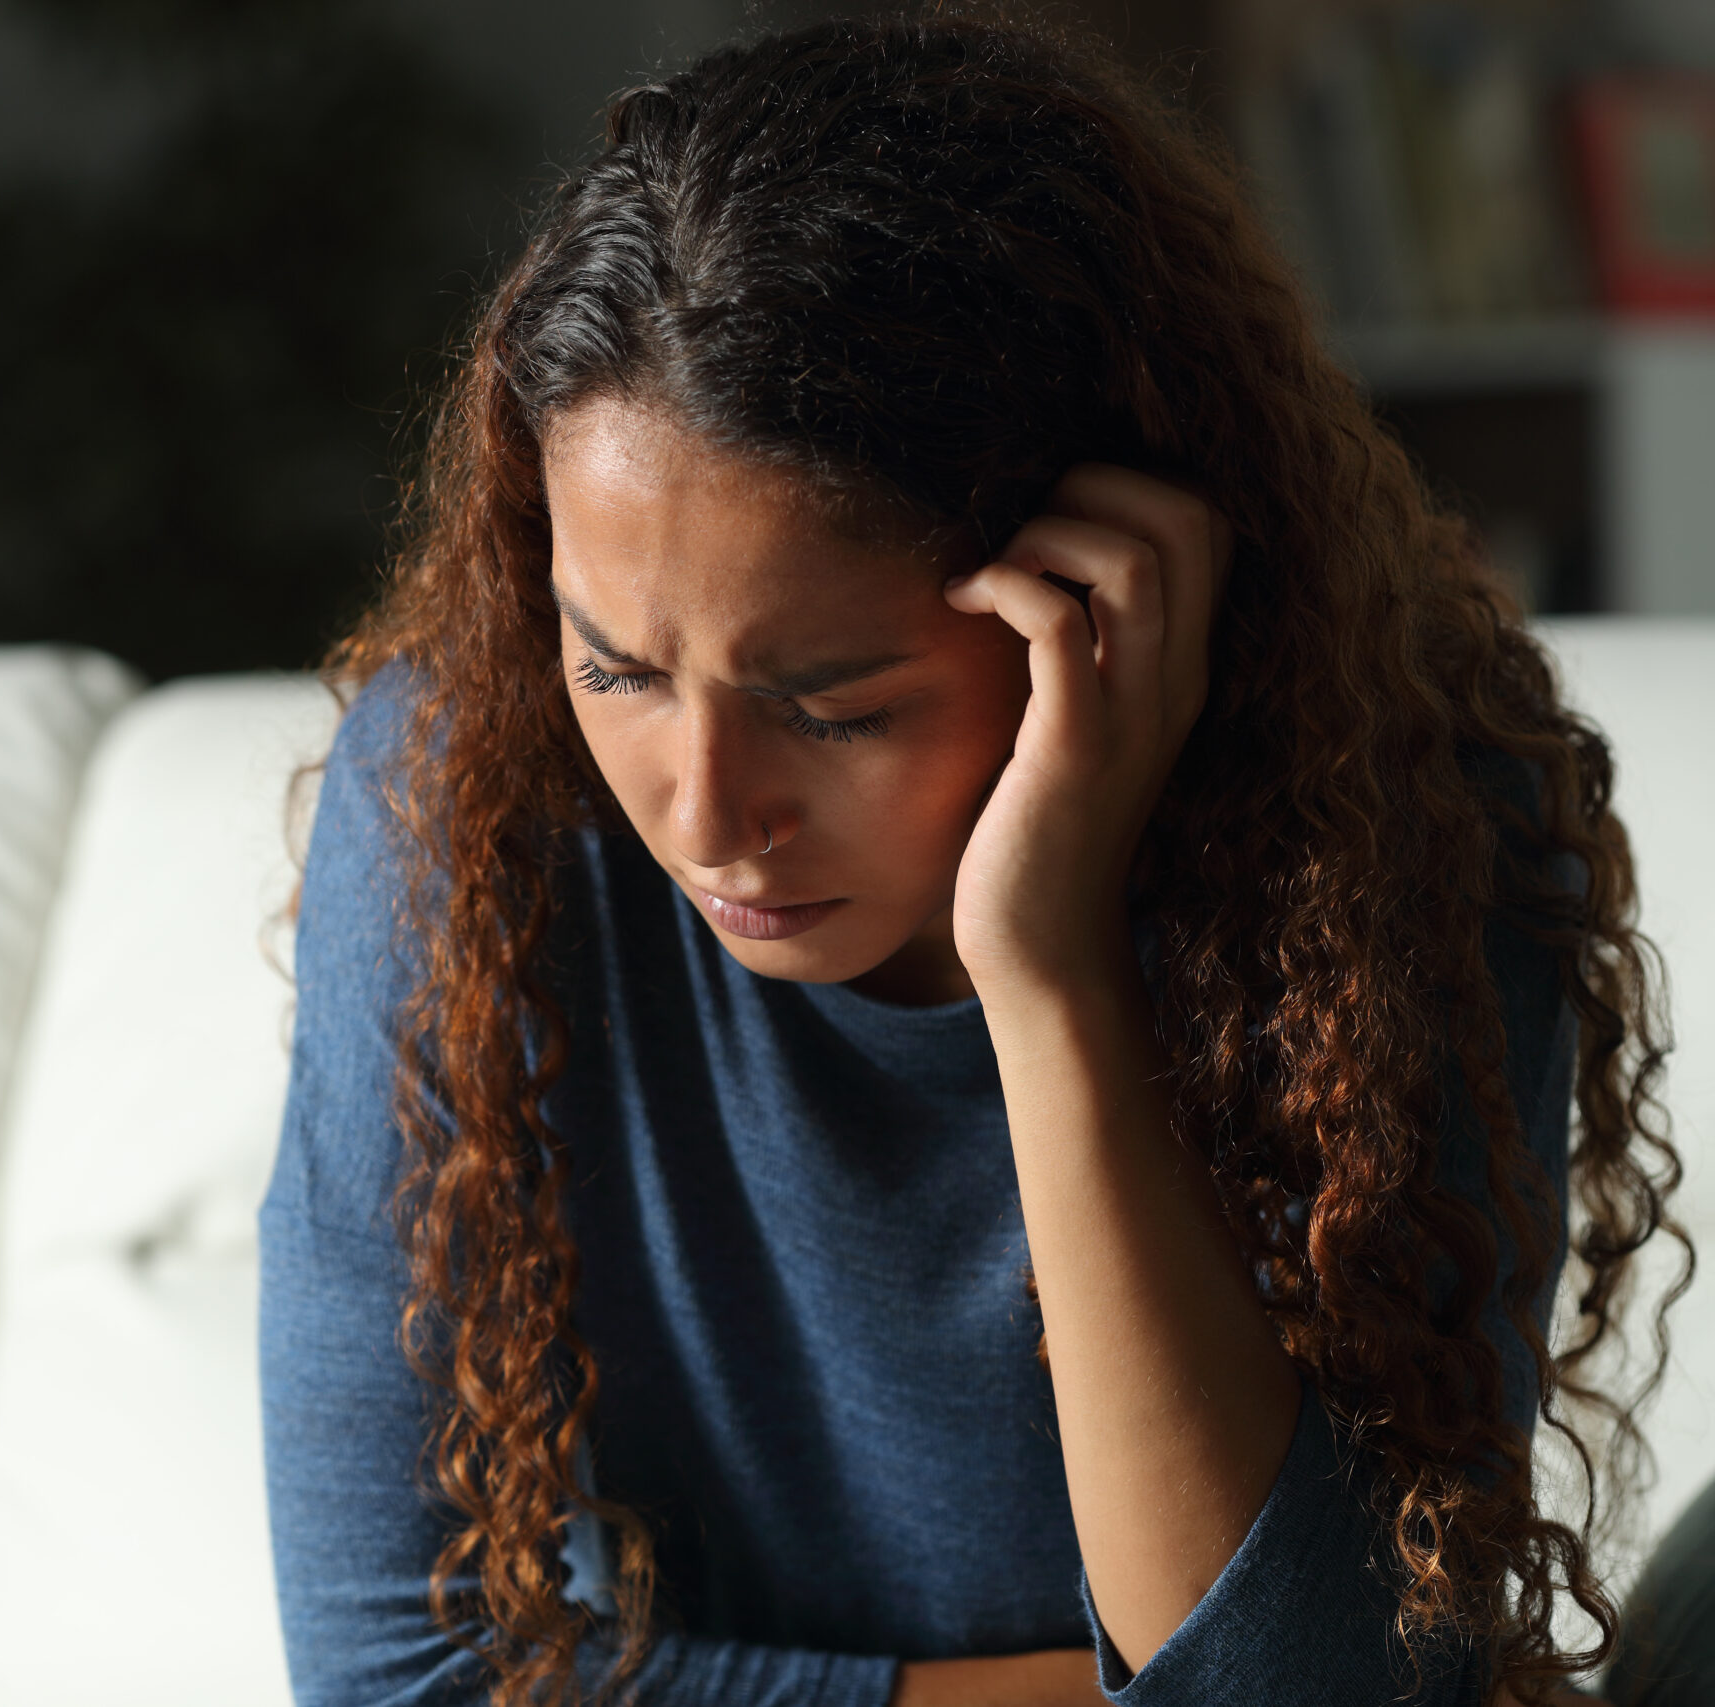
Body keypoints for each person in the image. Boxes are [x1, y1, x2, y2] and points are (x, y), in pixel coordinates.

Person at [258, 13, 1686, 1706]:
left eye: (833, 706)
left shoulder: (1407, 830)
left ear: (1097, 596)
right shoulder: (458, 798)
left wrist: (1050, 972)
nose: (707, 812)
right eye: (618, 670)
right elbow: (393, 1670)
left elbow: (1331, 1695)